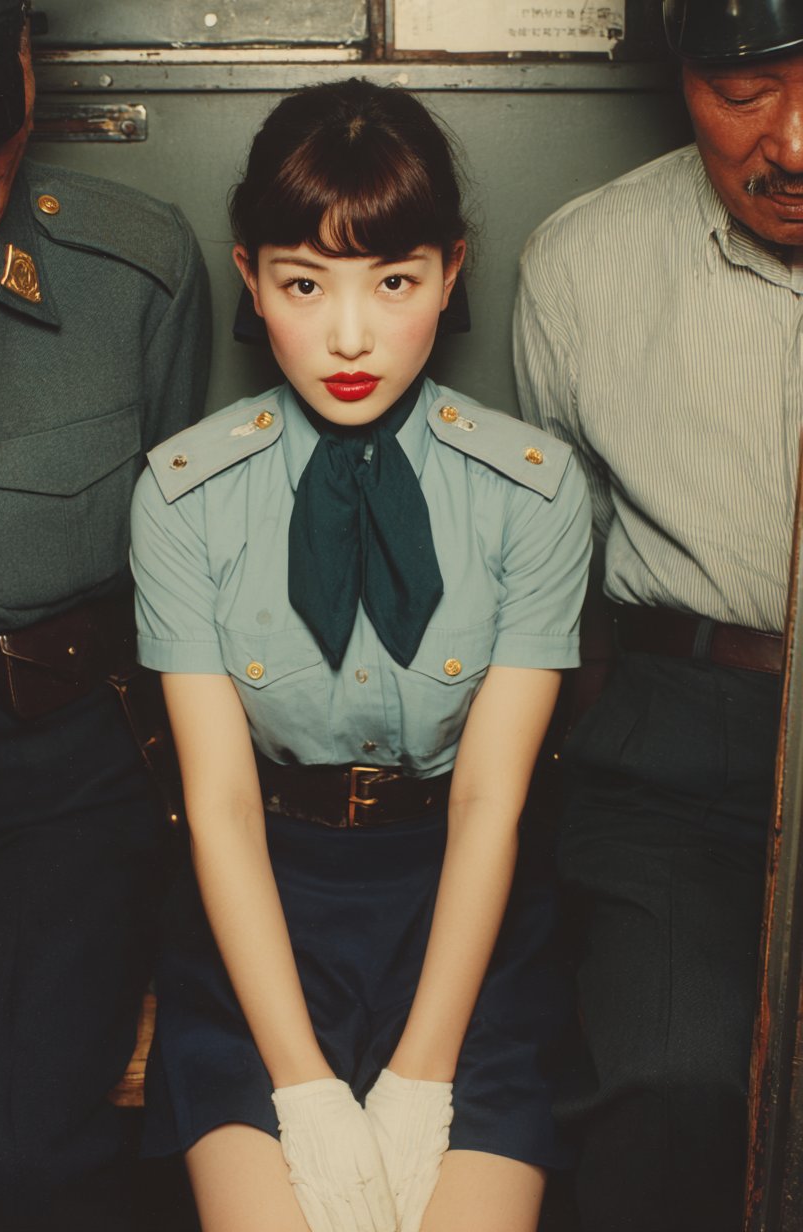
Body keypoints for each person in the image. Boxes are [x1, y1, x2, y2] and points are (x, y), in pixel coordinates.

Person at [131, 78, 591, 1232]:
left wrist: (424, 1074)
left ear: (451, 270)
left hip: (466, 915)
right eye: (304, 284)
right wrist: (299, 1084)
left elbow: (489, 798)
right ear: (250, 279)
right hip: (259, 917)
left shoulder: (533, 493)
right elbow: (219, 804)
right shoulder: (182, 496)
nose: (349, 336)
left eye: (394, 281)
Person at [0, 2, 210, 1229]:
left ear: (23, 92)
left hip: (49, 772)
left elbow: (183, 580)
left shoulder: (134, 271)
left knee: (14, 1157)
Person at [512, 1, 803, 1229]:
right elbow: (560, 580)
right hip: (680, 744)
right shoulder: (584, 261)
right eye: (743, 91)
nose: (793, 142)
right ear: (680, 77)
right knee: (669, 1084)